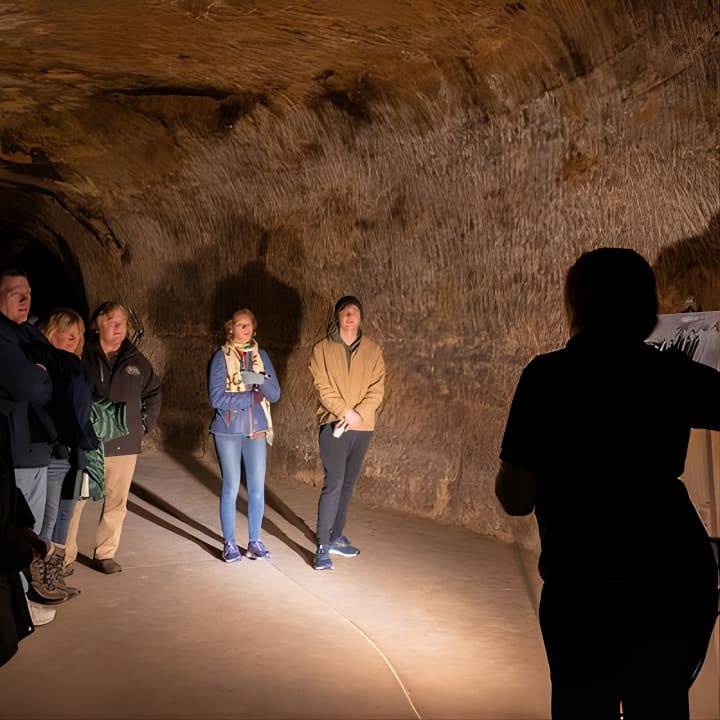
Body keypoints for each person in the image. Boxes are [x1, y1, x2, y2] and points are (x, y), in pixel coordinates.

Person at [495, 248, 720, 719]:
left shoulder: (546, 377)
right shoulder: (669, 374)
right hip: (667, 582)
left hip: (582, 588)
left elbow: (515, 498)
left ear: (577, 303)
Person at [64, 302, 161, 574]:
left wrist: (142, 425)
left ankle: (105, 553)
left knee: (117, 502)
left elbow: (154, 394)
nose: (118, 328)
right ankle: (65, 555)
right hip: (89, 444)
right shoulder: (83, 354)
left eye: (122, 322)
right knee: (75, 502)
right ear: (98, 324)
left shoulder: (136, 360)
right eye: (111, 322)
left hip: (125, 445)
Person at [0, 264, 60, 622]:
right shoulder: (6, 338)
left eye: (29, 294)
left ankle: (22, 598)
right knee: (17, 530)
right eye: (15, 294)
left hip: (27, 445)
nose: (25, 300)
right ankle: (19, 606)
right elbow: (34, 387)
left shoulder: (22, 335)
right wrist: (46, 377)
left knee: (27, 528)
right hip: (14, 448)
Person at [309, 296, 385, 571]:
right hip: (334, 424)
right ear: (337, 317)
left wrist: (359, 414)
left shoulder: (373, 351)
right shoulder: (322, 349)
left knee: (349, 483)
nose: (350, 316)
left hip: (362, 426)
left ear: (361, 317)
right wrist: (345, 412)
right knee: (335, 481)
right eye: (345, 312)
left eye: (354, 311)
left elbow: (377, 389)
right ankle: (321, 546)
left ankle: (334, 535)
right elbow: (322, 386)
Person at [208, 309, 281, 562]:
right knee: (230, 486)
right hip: (228, 429)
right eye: (240, 325)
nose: (245, 329)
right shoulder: (220, 357)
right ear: (230, 328)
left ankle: (254, 540)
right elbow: (217, 398)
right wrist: (251, 396)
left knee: (257, 488)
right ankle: (229, 543)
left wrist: (259, 380)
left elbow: (275, 394)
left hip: (256, 428)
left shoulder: (262, 356)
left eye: (248, 324)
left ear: (254, 327)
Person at [36, 309, 98, 595]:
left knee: (65, 516)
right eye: (68, 333)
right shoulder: (45, 361)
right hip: (54, 450)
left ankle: (54, 573)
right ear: (52, 332)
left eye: (79, 334)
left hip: (74, 451)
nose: (75, 339)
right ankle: (39, 579)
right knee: (48, 518)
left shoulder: (76, 365)